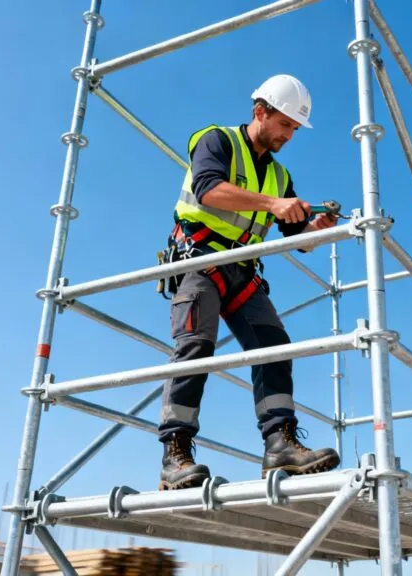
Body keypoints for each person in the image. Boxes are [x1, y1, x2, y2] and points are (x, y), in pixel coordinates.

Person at [156, 74, 342, 490]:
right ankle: (175, 453)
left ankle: (280, 446)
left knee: (274, 346)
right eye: (286, 124)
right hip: (199, 258)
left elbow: (297, 240)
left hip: (242, 269)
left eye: (295, 128)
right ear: (261, 111)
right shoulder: (217, 140)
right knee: (196, 347)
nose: (290, 135)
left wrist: (318, 228)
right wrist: (273, 204)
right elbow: (207, 190)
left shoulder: (279, 175)